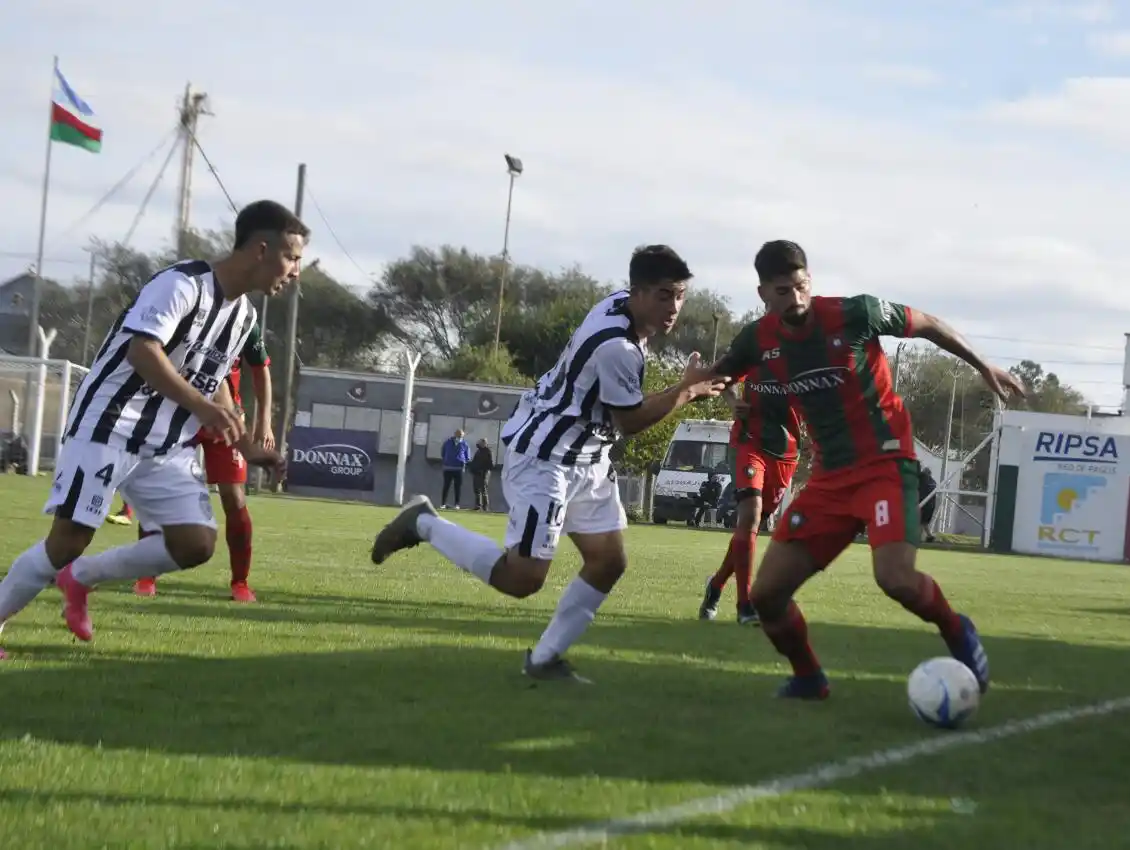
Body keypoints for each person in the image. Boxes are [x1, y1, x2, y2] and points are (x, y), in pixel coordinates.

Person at [371, 245, 727, 682]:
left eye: (679, 295)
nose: (674, 307)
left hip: (587, 456)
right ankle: (423, 523)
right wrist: (687, 390)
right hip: (547, 458)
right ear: (635, 292)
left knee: (608, 562)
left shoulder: (621, 310)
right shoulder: (617, 347)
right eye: (663, 295)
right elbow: (631, 421)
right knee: (523, 578)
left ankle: (544, 659)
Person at [701, 240, 1025, 699]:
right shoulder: (758, 340)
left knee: (895, 580)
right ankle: (809, 679)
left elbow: (928, 323)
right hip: (830, 480)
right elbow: (722, 375)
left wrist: (982, 364)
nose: (794, 298)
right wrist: (693, 382)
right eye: (782, 291)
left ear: (809, 280)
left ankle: (957, 631)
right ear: (762, 294)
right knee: (767, 596)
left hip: (885, 465)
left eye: (799, 286)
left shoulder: (856, 313)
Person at [0, 199, 299, 659]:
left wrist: (246, 445)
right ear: (261, 249)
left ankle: (79, 579)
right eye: (291, 257)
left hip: (165, 443)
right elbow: (143, 352)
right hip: (108, 424)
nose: (295, 270)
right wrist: (201, 404)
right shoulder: (179, 284)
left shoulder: (243, 317)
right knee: (69, 539)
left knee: (195, 543)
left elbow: (213, 379)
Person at [133, 321, 274, 602]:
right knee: (160, 492)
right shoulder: (189, 309)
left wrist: (264, 421)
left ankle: (240, 583)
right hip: (178, 415)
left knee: (234, 499)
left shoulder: (245, 320)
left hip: (226, 419)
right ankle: (146, 576)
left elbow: (260, 371)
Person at [698, 358, 802, 625]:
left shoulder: (813, 346)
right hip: (749, 442)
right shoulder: (757, 341)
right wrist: (732, 401)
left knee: (752, 525)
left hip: (786, 453)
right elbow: (721, 374)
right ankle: (746, 606)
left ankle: (717, 584)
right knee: (750, 515)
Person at [440, 429, 469, 509]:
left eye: (461, 436)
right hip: (448, 468)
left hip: (458, 469)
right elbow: (443, 453)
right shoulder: (447, 443)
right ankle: (443, 504)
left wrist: (463, 462)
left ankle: (457, 504)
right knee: (446, 486)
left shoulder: (464, 444)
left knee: (458, 487)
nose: (459, 437)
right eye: (458, 436)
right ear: (455, 435)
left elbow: (467, 456)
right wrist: (446, 460)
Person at [470, 437, 495, 510]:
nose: (479, 444)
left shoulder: (488, 451)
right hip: (476, 473)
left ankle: (485, 506)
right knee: (476, 490)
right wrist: (473, 469)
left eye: (481, 443)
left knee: (483, 490)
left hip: (484, 474)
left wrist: (484, 470)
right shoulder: (478, 451)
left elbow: (491, 464)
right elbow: (474, 461)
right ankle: (478, 505)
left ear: (484, 443)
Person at [918, 465, 938, 543]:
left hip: (924, 503)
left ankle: (918, 538)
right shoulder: (933, 482)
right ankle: (930, 536)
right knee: (924, 522)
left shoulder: (923, 478)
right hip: (931, 505)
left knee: (920, 521)